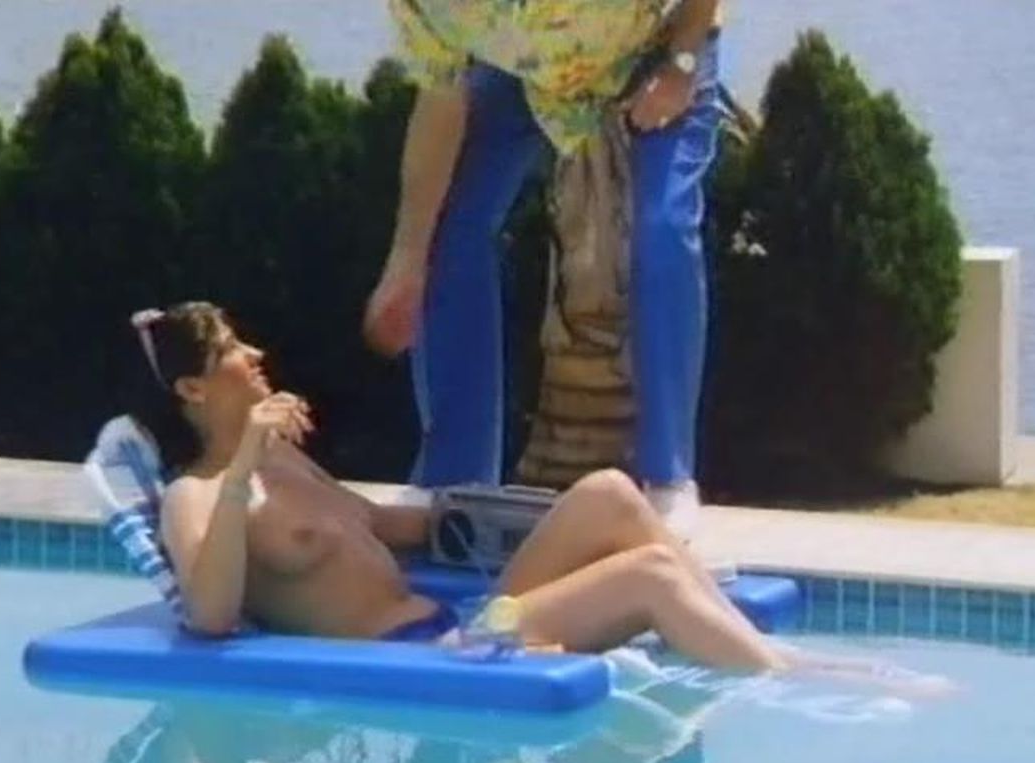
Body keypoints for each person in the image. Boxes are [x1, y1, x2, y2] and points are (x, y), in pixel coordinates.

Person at [129, 301, 783, 672]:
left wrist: (504, 516)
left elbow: (387, 527)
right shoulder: (196, 494)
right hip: (420, 661)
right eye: (231, 349)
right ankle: (785, 680)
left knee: (607, 494)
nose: (254, 354)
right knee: (650, 577)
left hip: (460, 628)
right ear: (192, 388)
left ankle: (747, 646)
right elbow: (210, 615)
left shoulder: (287, 462)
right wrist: (243, 461)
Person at [362, 0, 726, 528]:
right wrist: (406, 258)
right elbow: (441, 100)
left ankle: (669, 479)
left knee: (662, 227)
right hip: (533, 75)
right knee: (446, 223)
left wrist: (681, 66)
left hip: (659, 44)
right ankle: (457, 483)